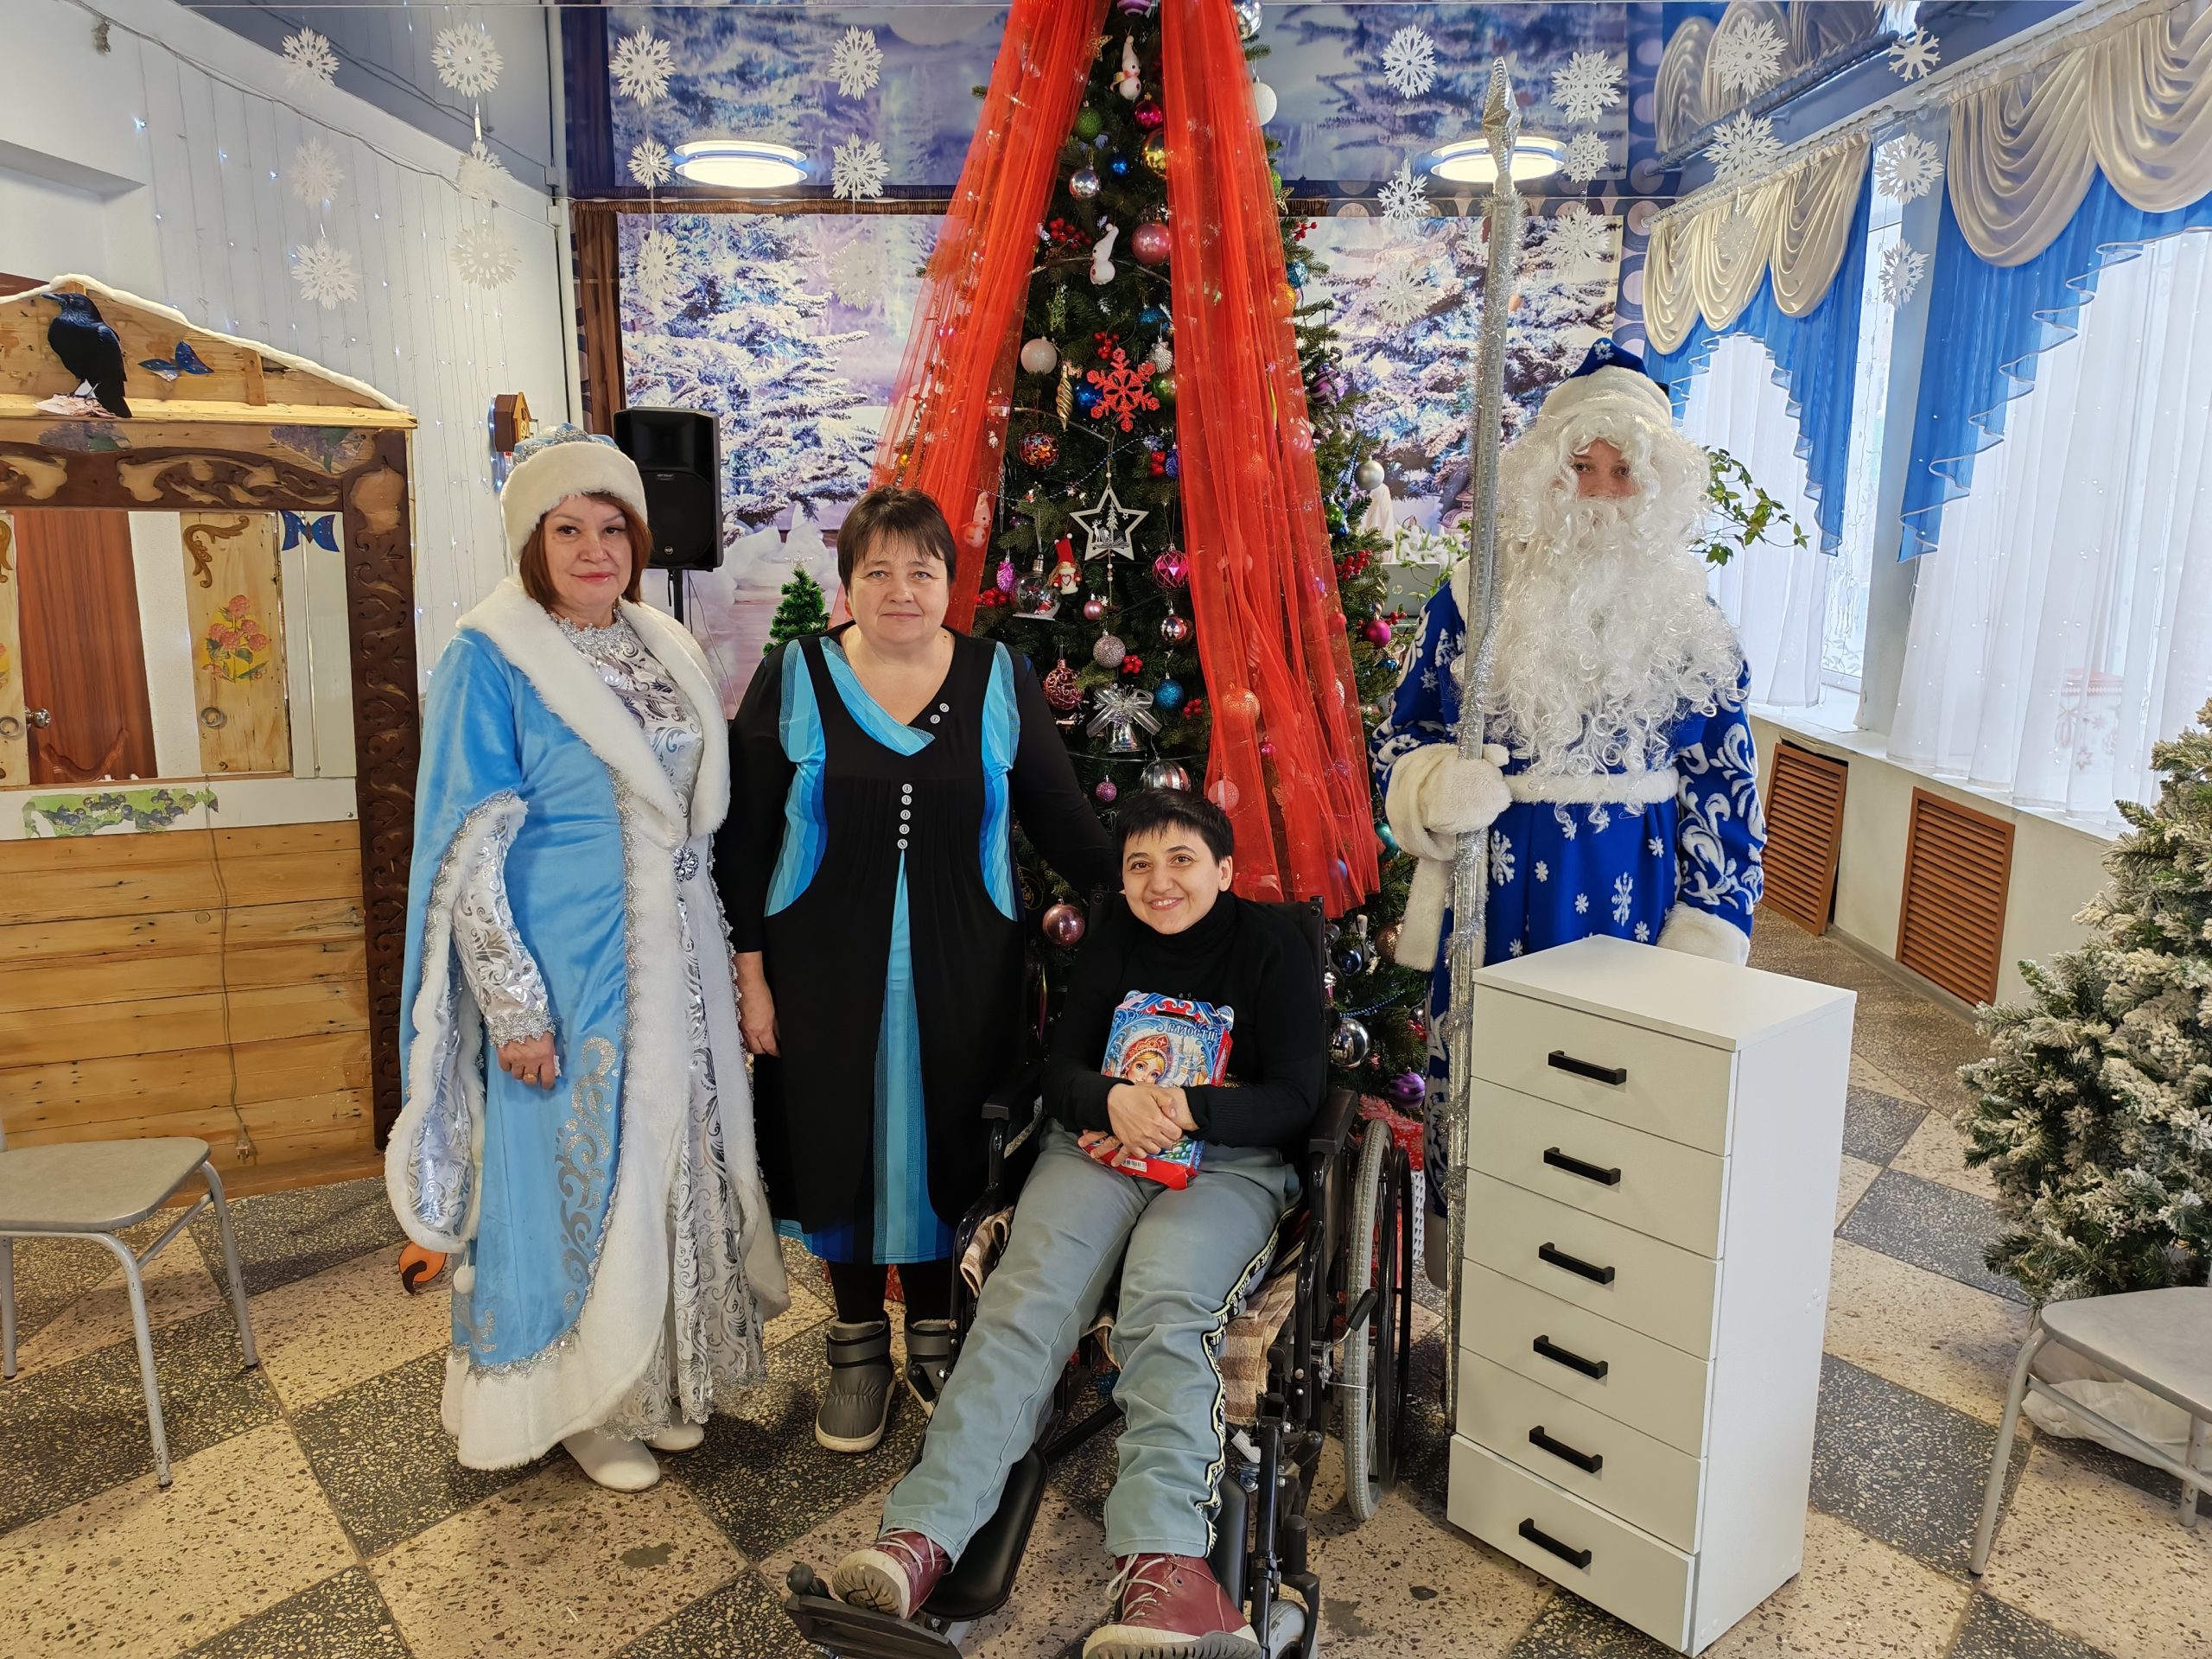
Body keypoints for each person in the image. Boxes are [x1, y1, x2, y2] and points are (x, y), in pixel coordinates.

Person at [387, 425, 788, 1493]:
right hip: (567, 970)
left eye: (613, 527)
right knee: (568, 1179)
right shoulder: (491, 655)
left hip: (677, 960)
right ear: (533, 539)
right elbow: (467, 848)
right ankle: (576, 1403)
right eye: (568, 529)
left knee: (671, 1161)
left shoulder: (662, 641)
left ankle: (657, 1383)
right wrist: (514, 1004)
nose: (594, 549)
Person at [830, 788, 1322, 1659]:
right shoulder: (1116, 938)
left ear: (1223, 869)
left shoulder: (1271, 944)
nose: (1159, 880)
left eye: (1181, 860)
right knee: (1023, 1302)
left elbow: (1297, 1096)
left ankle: (1167, 1566)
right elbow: (1060, 1069)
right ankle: (923, 1535)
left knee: (1165, 1306)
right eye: (1139, 864)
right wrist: (1111, 1100)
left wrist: (1187, 1109)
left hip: (1224, 1162)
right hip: (1099, 1145)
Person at [721, 486, 1116, 1455]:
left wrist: (1159, 890)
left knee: (952, 1139)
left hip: (968, 966)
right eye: (878, 571)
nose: (901, 590)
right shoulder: (795, 673)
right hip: (818, 969)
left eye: (921, 571)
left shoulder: (998, 676)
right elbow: (745, 839)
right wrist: (751, 978)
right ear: (848, 581)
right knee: (839, 1142)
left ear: (949, 581)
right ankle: (857, 1345)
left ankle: (936, 1331)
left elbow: (1063, 820)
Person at [1369, 340, 1766, 1233]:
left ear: (1655, 487)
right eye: (1581, 468)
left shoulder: (1692, 622)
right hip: (1495, 895)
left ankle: (1597, 1281)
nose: (1598, 493)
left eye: (1622, 473)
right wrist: (1434, 788)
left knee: (1613, 1112)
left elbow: (1726, 787)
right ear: (1547, 478)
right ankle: (1484, 1276)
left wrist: (1709, 927)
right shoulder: (1471, 600)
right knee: (1495, 1097)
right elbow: (1402, 733)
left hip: (1637, 906)